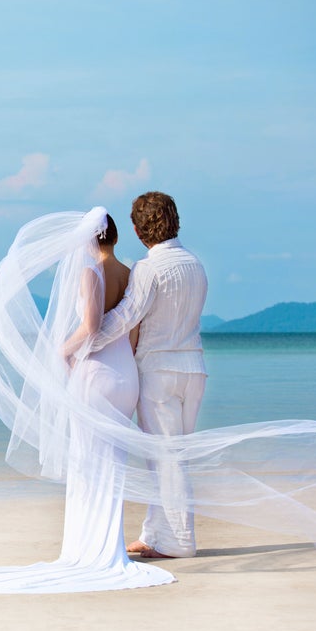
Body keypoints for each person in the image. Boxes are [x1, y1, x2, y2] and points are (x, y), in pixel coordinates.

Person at [0, 205, 316, 595]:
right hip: (176, 369)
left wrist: (64, 352)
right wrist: (118, 354)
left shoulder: (115, 273)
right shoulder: (173, 267)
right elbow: (137, 327)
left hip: (124, 371)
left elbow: (110, 324)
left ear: (90, 238)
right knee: (158, 458)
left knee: (119, 460)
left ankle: (128, 544)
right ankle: (151, 537)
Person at [90, 191, 207, 558]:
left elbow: (127, 316)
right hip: (194, 369)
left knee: (165, 460)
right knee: (174, 455)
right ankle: (156, 534)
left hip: (159, 372)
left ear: (140, 231)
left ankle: (179, 543)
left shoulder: (148, 269)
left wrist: (87, 341)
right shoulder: (195, 264)